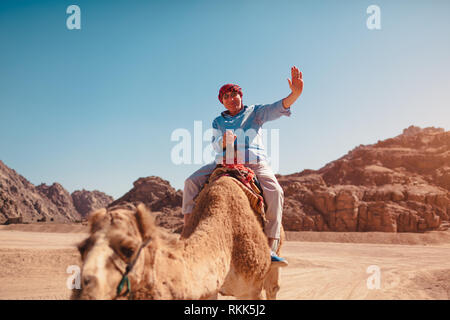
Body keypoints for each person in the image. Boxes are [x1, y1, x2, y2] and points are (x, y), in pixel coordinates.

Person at [182, 66, 303, 264]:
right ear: (222, 101)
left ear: (241, 96)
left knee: (275, 192)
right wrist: (222, 142)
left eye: (234, 94)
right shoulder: (218, 121)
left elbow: (277, 107)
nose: (231, 99)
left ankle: (270, 245)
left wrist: (294, 94)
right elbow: (214, 144)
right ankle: (187, 233)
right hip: (225, 161)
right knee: (190, 182)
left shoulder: (255, 112)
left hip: (254, 163)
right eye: (226, 96)